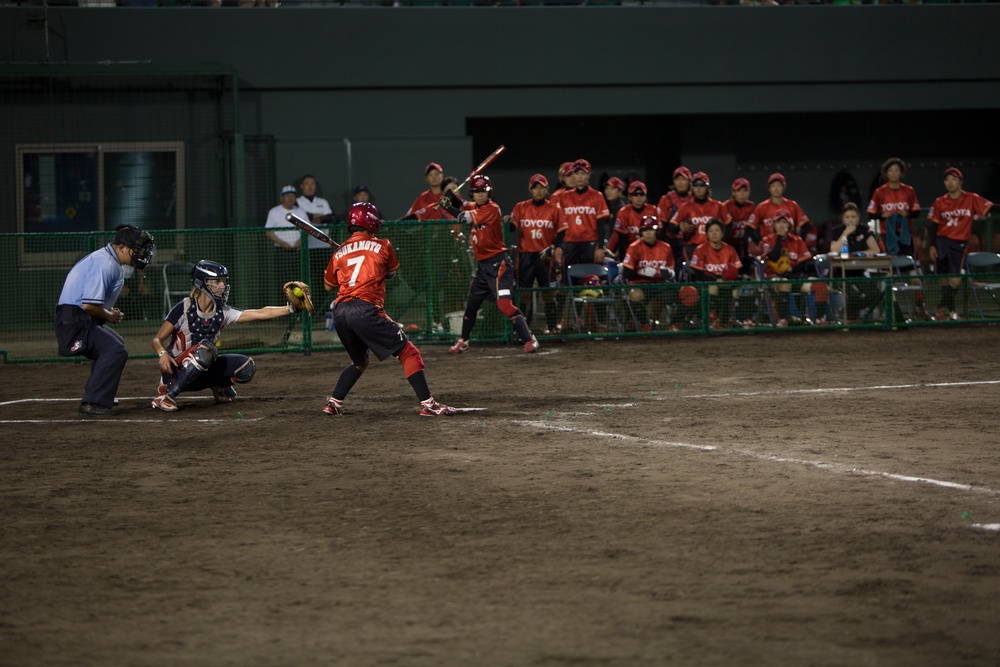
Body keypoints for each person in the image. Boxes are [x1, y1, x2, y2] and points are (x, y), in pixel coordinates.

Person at [322, 202, 455, 416]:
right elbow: (392, 271)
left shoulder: (339, 251)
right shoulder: (383, 245)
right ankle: (428, 404)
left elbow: (328, 285)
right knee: (409, 353)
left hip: (341, 312)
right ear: (371, 222)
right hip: (365, 310)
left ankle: (334, 402)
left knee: (359, 362)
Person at [150, 260, 297, 411]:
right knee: (205, 350)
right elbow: (157, 339)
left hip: (203, 370)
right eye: (217, 281)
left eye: (223, 282)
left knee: (246, 367)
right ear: (202, 283)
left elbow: (260, 313)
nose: (222, 286)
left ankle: (219, 386)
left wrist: (291, 309)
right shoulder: (184, 308)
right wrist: (162, 354)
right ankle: (167, 396)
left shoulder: (222, 311)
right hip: (175, 371)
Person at [55, 225, 155, 416]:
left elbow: (93, 304)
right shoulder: (105, 263)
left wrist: (109, 312)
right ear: (123, 248)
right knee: (114, 350)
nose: (142, 254)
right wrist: (109, 315)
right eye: (138, 249)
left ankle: (98, 393)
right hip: (73, 320)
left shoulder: (109, 260)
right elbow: (89, 305)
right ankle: (92, 403)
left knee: (116, 343)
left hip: (78, 317)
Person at [438, 175, 539, 354]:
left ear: (489, 192)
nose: (480, 195)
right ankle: (463, 341)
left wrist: (447, 205)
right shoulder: (474, 205)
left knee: (504, 305)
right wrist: (451, 196)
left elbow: (462, 217)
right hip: (483, 266)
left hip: (498, 264)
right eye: (476, 192)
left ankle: (529, 339)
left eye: (483, 191)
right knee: (472, 304)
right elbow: (463, 205)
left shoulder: (492, 209)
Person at [927, 167, 994, 321]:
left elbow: (990, 207)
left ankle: (940, 306)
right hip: (941, 241)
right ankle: (951, 312)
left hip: (959, 244)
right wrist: (932, 245)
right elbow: (934, 225)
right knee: (944, 279)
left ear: (960, 182)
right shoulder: (939, 201)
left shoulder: (970, 198)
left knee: (955, 280)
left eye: (954, 179)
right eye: (947, 180)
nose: (950, 183)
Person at [507, 173, 562, 333]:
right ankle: (523, 329)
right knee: (523, 294)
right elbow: (512, 227)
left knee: (548, 294)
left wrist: (552, 247)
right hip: (526, 256)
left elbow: (563, 232)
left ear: (547, 189)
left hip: (545, 256)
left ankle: (552, 328)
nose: (538, 191)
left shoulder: (554, 208)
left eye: (542, 188)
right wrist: (507, 221)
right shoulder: (520, 207)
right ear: (530, 190)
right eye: (535, 188)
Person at [829, 202, 884, 323]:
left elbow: (875, 249)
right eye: (847, 217)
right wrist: (846, 233)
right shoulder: (837, 231)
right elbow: (834, 250)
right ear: (843, 219)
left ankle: (848, 312)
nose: (850, 220)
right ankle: (851, 316)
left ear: (858, 217)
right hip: (841, 274)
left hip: (859, 272)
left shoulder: (863, 229)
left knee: (876, 294)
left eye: (853, 217)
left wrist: (860, 254)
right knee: (853, 295)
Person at [760, 212, 816, 327]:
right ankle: (782, 319)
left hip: (795, 277)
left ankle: (816, 319)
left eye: (784, 222)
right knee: (784, 283)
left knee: (819, 285)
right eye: (778, 222)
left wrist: (791, 270)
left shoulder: (797, 240)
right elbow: (774, 257)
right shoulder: (767, 240)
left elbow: (804, 263)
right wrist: (779, 237)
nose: (781, 225)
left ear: (789, 225)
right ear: (774, 225)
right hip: (774, 277)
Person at [553, 158, 610, 269]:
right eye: (576, 173)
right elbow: (560, 226)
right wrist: (558, 246)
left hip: (590, 243)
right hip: (569, 244)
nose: (579, 177)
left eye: (582, 173)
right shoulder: (564, 197)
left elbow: (601, 224)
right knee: (569, 280)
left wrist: (600, 248)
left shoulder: (597, 196)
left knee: (589, 277)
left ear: (588, 175)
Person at [621, 216, 676, 331]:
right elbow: (626, 272)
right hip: (639, 284)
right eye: (645, 230)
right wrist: (641, 272)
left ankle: (675, 324)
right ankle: (645, 323)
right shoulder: (634, 247)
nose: (648, 233)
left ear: (657, 231)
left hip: (659, 284)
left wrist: (669, 273)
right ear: (641, 232)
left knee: (683, 293)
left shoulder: (666, 248)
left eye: (651, 230)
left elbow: (672, 271)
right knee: (634, 294)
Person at [686, 219, 742, 329]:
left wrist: (726, 279)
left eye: (717, 230)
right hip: (705, 284)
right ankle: (708, 320)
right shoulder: (700, 249)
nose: (714, 233)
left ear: (722, 233)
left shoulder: (730, 250)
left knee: (739, 290)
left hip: (726, 284)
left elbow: (735, 271)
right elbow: (698, 273)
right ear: (707, 234)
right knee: (713, 288)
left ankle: (735, 320)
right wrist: (714, 279)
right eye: (711, 231)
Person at [670, 171, 731, 262]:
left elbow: (729, 224)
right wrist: (680, 227)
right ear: (692, 187)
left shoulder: (718, 205)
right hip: (692, 247)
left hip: (712, 247)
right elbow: (672, 227)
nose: (699, 188)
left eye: (702, 185)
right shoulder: (685, 207)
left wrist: (722, 239)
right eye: (696, 185)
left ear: (707, 187)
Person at [868, 157, 920, 257]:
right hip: (886, 233)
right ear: (886, 173)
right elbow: (870, 213)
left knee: (908, 260)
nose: (893, 173)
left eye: (896, 170)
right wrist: (882, 215)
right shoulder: (879, 192)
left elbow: (916, 212)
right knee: (891, 261)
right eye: (890, 170)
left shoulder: (909, 190)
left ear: (901, 173)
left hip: (905, 232)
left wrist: (907, 213)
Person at [298, 175, 338, 295]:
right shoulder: (298, 202)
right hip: (306, 247)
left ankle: (322, 310)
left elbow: (329, 218)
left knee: (323, 280)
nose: (310, 187)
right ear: (301, 186)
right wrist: (317, 217)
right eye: (307, 184)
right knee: (306, 280)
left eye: (312, 184)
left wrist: (310, 218)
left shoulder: (322, 202)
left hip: (323, 246)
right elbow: (302, 217)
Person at [607, 180, 659, 260]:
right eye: (635, 194)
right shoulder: (624, 212)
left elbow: (659, 235)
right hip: (629, 251)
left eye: (641, 194)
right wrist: (623, 259)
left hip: (649, 251)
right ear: (630, 197)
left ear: (645, 196)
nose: (639, 197)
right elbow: (620, 238)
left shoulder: (652, 210)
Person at [750, 173, 810, 238]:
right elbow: (750, 227)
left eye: (779, 185)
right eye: (773, 186)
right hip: (769, 245)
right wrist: (758, 243)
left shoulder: (792, 205)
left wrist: (799, 241)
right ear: (769, 188)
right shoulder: (762, 207)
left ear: (783, 188)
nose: (776, 189)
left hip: (789, 244)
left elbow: (806, 225)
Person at [723, 177, 758, 276]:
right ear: (733, 192)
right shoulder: (726, 206)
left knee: (746, 266)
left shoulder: (751, 206)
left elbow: (750, 229)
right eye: (739, 191)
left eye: (745, 191)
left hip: (742, 244)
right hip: (727, 243)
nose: (742, 194)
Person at [265, 184, 310, 251]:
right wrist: (282, 243)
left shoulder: (301, 211)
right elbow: (268, 231)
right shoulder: (274, 212)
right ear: (282, 198)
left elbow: (308, 229)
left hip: (299, 249)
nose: (290, 198)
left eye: (292, 195)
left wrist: (300, 241)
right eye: (287, 196)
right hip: (280, 249)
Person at [602, 176, 627, 245]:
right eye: (607, 188)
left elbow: (618, 233)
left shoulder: (621, 209)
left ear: (620, 191)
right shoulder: (610, 206)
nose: (608, 191)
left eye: (612, 188)